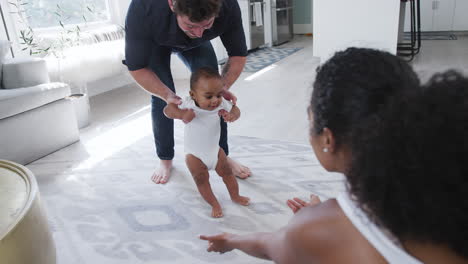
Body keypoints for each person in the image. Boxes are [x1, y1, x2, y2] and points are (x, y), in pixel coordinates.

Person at [199, 47, 440, 263]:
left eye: (309, 115)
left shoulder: (314, 229)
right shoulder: (445, 180)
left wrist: (230, 240)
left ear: (328, 139)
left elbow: (269, 245)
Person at [124, 0, 251, 184]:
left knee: (212, 93)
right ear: (171, 4)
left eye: (207, 24)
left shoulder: (228, 5)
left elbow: (238, 55)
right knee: (163, 99)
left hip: (197, 47)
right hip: (154, 43)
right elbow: (136, 67)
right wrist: (167, 95)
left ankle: (221, 155)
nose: (199, 32)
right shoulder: (144, 8)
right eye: (191, 25)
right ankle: (165, 160)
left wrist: (221, 88)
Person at [164, 67, 250, 217]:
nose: (215, 100)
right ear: (193, 95)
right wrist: (181, 114)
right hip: (194, 155)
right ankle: (214, 204)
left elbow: (236, 110)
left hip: (215, 152)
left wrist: (232, 116)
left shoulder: (222, 104)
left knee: (228, 174)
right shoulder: (188, 104)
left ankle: (235, 196)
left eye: (219, 95)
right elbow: (167, 110)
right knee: (202, 181)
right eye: (209, 96)